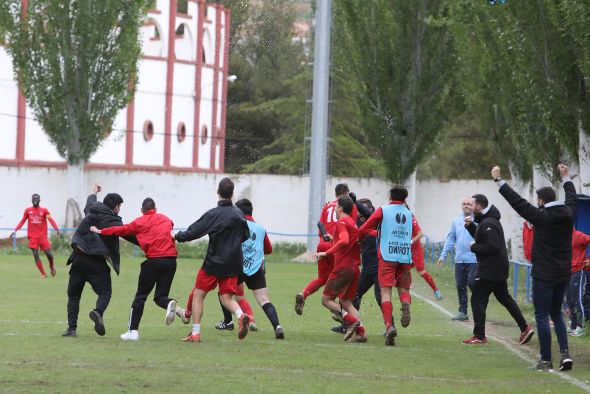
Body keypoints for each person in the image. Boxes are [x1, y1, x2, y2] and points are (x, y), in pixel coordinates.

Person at [495, 164, 575, 371]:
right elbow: (572, 197)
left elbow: (517, 202)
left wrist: (499, 180)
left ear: (541, 201)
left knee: (541, 316)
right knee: (556, 313)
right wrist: (566, 177)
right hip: (563, 273)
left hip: (543, 274)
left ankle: (546, 360)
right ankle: (565, 354)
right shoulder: (569, 213)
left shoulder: (540, 216)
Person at [91, 197, 186, 341]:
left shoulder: (140, 221)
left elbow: (121, 230)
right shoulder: (167, 219)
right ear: (156, 209)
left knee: (140, 297)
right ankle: (175, 308)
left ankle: (132, 331)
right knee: (160, 297)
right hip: (171, 261)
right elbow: (169, 230)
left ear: (142, 211)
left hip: (154, 261)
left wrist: (100, 231)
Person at [175, 177, 251, 343]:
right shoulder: (239, 214)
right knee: (226, 298)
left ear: (218, 192)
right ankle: (241, 315)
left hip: (214, 262)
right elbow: (245, 236)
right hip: (233, 262)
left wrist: (177, 237)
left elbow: (194, 231)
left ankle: (195, 333)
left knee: (198, 294)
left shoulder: (213, 214)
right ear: (232, 194)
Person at [62, 184, 138, 338]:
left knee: (74, 295)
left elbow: (89, 203)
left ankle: (71, 329)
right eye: (120, 206)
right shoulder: (114, 221)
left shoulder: (93, 208)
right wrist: (151, 242)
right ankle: (97, 312)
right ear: (116, 207)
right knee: (105, 292)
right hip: (96, 262)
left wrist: (93, 192)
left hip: (78, 258)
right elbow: (130, 235)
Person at [461, 193, 534, 346]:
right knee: (504, 298)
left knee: (477, 299)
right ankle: (525, 328)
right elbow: (486, 239)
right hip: (498, 268)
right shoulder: (487, 221)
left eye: (472, 204)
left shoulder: (488, 223)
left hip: (490, 269)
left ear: (479, 206)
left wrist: (474, 247)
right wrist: (471, 227)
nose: (470, 207)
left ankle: (479, 336)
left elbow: (492, 246)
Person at [211, 199, 284, 339]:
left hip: (236, 267)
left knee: (223, 294)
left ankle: (228, 322)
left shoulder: (236, 225)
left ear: (238, 212)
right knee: (264, 299)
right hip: (256, 268)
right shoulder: (261, 228)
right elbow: (268, 249)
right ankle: (277, 327)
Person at [294, 183, 366, 316]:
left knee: (322, 278)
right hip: (337, 247)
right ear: (346, 194)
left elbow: (320, 229)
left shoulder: (327, 207)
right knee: (340, 280)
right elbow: (352, 227)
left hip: (323, 244)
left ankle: (303, 294)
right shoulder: (350, 208)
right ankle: (341, 314)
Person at [358, 186, 415, 346]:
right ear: (405, 199)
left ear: (390, 197)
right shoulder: (409, 214)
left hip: (387, 256)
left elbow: (364, 227)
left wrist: (360, 238)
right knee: (404, 290)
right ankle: (405, 303)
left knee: (385, 293)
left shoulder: (383, 210)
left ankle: (389, 326)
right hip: (404, 256)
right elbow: (416, 233)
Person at [314, 196, 367, 343]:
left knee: (326, 300)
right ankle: (361, 332)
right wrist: (333, 239)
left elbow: (344, 241)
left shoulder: (341, 222)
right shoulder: (352, 223)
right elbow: (348, 241)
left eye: (337, 207)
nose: (335, 209)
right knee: (346, 302)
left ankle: (350, 321)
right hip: (355, 268)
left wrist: (326, 252)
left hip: (343, 267)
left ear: (341, 209)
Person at [332, 198, 381, 334]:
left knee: (380, 297)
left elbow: (348, 238)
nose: (360, 215)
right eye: (358, 212)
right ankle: (354, 327)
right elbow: (351, 237)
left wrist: (327, 252)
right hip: (364, 269)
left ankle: (389, 326)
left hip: (377, 268)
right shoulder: (358, 225)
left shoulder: (375, 223)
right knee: (352, 297)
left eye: (362, 211)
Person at [437, 198, 478, 321]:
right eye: (464, 204)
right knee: (460, 285)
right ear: (461, 206)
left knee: (472, 283)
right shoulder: (456, 221)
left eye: (469, 204)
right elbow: (450, 239)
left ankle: (478, 309)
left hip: (474, 259)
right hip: (459, 259)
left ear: (474, 206)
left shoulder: (478, 220)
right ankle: (463, 312)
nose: (467, 206)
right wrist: (443, 255)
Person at [13, 194, 60, 278]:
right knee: (35, 254)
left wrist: (56, 228)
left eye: (37, 199)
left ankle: (51, 266)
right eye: (34, 199)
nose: (35, 200)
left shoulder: (44, 211)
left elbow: (50, 219)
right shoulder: (28, 211)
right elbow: (22, 221)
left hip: (43, 237)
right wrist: (15, 230)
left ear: (39, 200)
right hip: (33, 237)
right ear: (31, 200)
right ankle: (43, 273)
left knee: (49, 254)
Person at [407, 206, 441, 300]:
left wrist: (411, 241)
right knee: (405, 271)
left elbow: (421, 234)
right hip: (406, 250)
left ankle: (436, 290)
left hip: (416, 249)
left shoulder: (411, 219)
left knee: (421, 272)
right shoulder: (400, 220)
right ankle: (407, 291)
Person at [564, 229, 590, 336]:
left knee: (577, 299)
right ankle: (573, 326)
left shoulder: (579, 236)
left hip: (578, 271)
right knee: (569, 300)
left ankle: (581, 326)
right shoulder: (561, 236)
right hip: (566, 272)